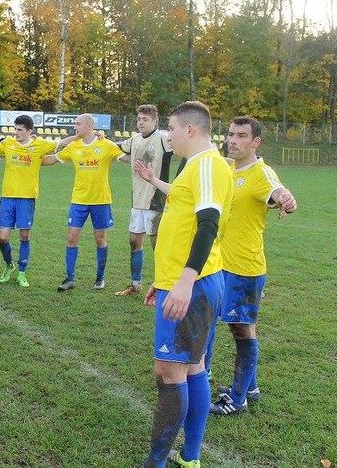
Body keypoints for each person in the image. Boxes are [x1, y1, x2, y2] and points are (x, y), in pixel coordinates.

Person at [134, 101, 233, 468]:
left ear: (190, 130)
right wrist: (163, 281)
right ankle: (190, 458)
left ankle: (156, 462)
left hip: (194, 284)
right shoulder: (196, 166)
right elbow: (183, 204)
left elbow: (208, 223)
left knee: (170, 373)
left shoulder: (207, 164)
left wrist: (184, 281)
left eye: (171, 129)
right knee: (193, 367)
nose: (168, 135)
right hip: (186, 282)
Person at [207, 116, 297, 416]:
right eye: (231, 134)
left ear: (255, 142)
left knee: (242, 330)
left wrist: (286, 199)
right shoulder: (229, 168)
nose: (233, 140)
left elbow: (278, 191)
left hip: (245, 267)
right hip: (224, 261)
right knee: (240, 325)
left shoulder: (261, 172)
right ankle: (250, 387)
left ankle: (238, 399)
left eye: (241, 136)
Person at [41, 113, 130, 291]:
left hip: (101, 200)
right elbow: (50, 160)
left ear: (89, 126)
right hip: (78, 200)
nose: (75, 127)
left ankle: (100, 278)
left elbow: (125, 158)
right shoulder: (73, 147)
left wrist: (144, 158)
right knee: (72, 237)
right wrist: (34, 155)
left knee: (100, 239)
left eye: (78, 124)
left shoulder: (106, 144)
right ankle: (70, 278)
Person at [0, 115, 77, 288]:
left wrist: (82, 135)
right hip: (7, 197)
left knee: (25, 235)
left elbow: (61, 143)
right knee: (3, 238)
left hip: (27, 198)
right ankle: (10, 265)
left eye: (20, 130)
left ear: (29, 131)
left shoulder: (39, 145)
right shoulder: (7, 144)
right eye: (15, 129)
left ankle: (22, 273)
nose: (16, 133)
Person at [114, 104, 174, 297]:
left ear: (155, 121)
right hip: (137, 199)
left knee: (157, 244)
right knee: (133, 241)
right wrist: (100, 140)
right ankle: (135, 284)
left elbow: (181, 150)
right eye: (139, 119)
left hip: (156, 199)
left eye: (145, 119)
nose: (141, 122)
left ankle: (163, 286)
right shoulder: (135, 140)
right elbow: (118, 149)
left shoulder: (163, 139)